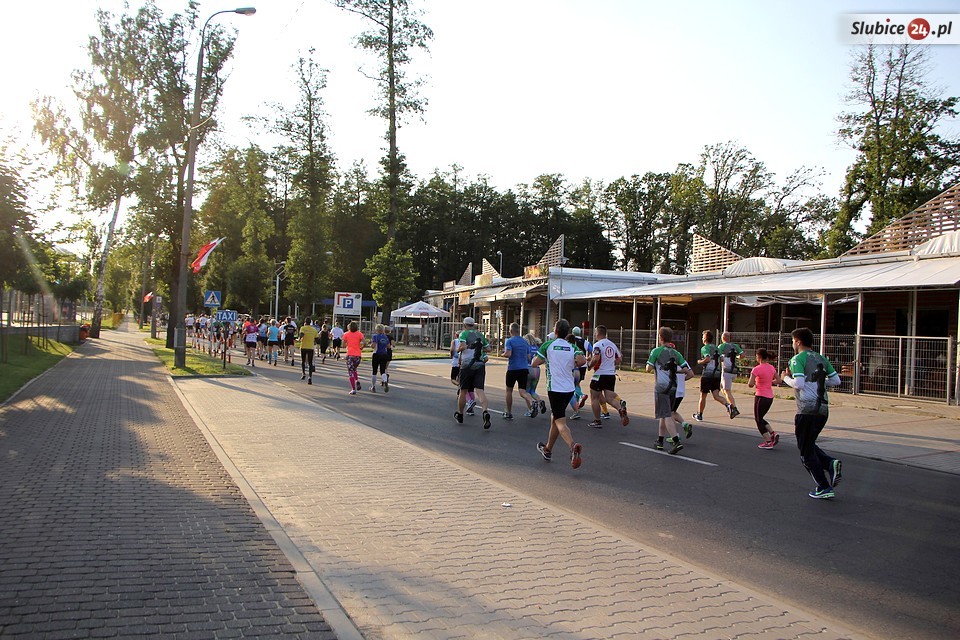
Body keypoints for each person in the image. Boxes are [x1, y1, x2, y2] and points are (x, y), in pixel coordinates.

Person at [782, 327, 843, 499]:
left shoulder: (797, 359)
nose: (792, 344)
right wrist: (819, 383)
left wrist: (785, 378)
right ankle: (830, 464)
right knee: (808, 444)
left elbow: (799, 383)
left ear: (798, 342)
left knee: (805, 453)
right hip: (823, 409)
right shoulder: (821, 358)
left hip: (806, 410)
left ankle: (824, 486)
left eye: (793, 341)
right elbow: (836, 380)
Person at [533, 319, 586, 469]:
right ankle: (548, 449)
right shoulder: (572, 346)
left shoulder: (548, 345)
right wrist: (573, 363)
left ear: (555, 331)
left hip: (555, 389)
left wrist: (545, 360)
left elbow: (535, 363)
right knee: (555, 418)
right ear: (567, 332)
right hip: (569, 389)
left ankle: (572, 446)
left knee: (561, 422)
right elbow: (582, 361)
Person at [646, 326, 691, 455]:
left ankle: (676, 440)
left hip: (661, 387)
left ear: (660, 338)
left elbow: (648, 368)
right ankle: (660, 440)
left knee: (666, 415)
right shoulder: (676, 353)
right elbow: (687, 371)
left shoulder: (656, 351)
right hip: (673, 387)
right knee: (665, 413)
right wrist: (675, 371)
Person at [586, 324, 629, 428]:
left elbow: (596, 359)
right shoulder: (612, 345)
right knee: (609, 397)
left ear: (598, 333)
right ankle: (620, 409)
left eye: (595, 333)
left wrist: (589, 365)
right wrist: (611, 364)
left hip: (599, 375)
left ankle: (597, 421)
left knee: (594, 397)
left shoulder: (597, 345)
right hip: (611, 375)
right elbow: (619, 358)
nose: (594, 335)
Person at [453, 317, 492, 429]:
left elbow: (462, 346)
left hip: (467, 366)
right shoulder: (480, 335)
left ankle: (460, 414)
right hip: (480, 365)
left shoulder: (463, 334)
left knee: (463, 391)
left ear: (464, 325)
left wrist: (458, 350)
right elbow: (488, 349)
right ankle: (485, 412)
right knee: (480, 390)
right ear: (473, 325)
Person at [748, 348, 781, 449]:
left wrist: (756, 383)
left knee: (758, 420)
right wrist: (769, 382)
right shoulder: (771, 368)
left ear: (759, 357)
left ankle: (768, 441)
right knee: (761, 418)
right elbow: (779, 380)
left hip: (760, 396)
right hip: (769, 397)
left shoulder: (756, 369)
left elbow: (750, 384)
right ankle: (772, 433)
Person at [693, 330, 729, 422]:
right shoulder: (717, 348)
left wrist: (700, 362)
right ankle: (728, 405)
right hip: (717, 374)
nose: (702, 338)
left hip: (707, 375)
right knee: (716, 395)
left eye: (703, 337)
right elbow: (721, 358)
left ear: (705, 338)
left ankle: (699, 415)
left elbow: (708, 358)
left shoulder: (704, 348)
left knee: (703, 395)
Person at [503, 323, 536, 420]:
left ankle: (508, 412)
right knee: (522, 391)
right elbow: (529, 357)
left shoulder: (509, 341)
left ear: (511, 331)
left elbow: (508, 354)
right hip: (524, 369)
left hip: (513, 369)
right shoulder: (524, 341)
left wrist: (502, 354)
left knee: (509, 391)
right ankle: (531, 401)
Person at [718, 331, 743, 419]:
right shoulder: (735, 346)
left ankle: (734, 408)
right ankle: (730, 405)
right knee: (722, 388)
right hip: (734, 370)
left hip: (727, 371)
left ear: (722, 338)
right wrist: (736, 357)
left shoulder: (721, 346)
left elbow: (718, 357)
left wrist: (722, 359)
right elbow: (742, 355)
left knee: (727, 390)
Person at [523, 333, 547, 417]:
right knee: (532, 391)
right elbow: (542, 359)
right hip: (537, 370)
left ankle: (531, 408)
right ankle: (540, 401)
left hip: (528, 369)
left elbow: (527, 358)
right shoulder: (537, 348)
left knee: (526, 391)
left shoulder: (526, 347)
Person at [342, 321, 365, 395]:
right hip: (358, 355)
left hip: (350, 354)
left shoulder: (346, 334)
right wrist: (361, 347)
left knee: (350, 372)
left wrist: (346, 345)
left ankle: (353, 389)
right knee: (354, 369)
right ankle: (356, 380)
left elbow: (343, 345)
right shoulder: (359, 334)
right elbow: (364, 342)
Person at [370, 324, 391, 392]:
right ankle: (385, 380)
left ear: (377, 330)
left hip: (376, 354)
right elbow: (388, 346)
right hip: (384, 354)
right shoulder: (385, 337)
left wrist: (370, 345)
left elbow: (373, 346)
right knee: (383, 370)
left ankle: (373, 387)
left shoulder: (375, 336)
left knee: (374, 371)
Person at [298, 317, 319, 384]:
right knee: (310, 363)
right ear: (310, 323)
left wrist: (299, 338)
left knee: (303, 361)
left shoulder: (303, 328)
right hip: (310, 347)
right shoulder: (314, 330)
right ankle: (310, 377)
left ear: (305, 322)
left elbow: (301, 334)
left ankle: (303, 373)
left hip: (303, 346)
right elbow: (317, 339)